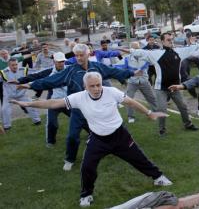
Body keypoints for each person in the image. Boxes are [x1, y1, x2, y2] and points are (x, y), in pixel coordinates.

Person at [11, 72, 172, 207]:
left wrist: (149, 113)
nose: (96, 89)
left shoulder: (112, 92)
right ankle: (86, 195)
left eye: (98, 85)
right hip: (98, 139)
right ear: (85, 87)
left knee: (138, 158)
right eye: (91, 86)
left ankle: (159, 178)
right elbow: (53, 103)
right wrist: (27, 103)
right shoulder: (79, 98)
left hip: (119, 135)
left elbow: (130, 101)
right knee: (87, 167)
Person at [18, 43, 137, 171]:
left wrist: (132, 73)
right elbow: (51, 80)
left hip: (97, 107)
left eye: (81, 55)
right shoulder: (70, 70)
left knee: (110, 130)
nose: (79, 58)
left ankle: (120, 149)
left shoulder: (97, 67)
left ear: (88, 54)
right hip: (78, 110)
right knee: (72, 136)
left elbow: (114, 71)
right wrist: (30, 85)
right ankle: (70, 159)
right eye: (76, 55)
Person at [127, 33, 199, 136]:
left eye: (171, 39)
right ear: (162, 41)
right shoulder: (156, 53)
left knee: (183, 106)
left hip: (175, 87)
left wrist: (194, 43)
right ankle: (162, 129)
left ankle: (188, 124)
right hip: (161, 88)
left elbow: (193, 48)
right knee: (162, 109)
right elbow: (141, 52)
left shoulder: (179, 52)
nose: (171, 41)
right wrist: (132, 50)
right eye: (168, 40)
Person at [17, 52, 74, 147]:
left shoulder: (70, 69)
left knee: (79, 119)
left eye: (63, 61)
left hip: (68, 100)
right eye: (59, 62)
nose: (61, 63)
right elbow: (35, 76)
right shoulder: (49, 72)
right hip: (53, 102)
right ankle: (51, 142)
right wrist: (20, 81)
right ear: (54, 61)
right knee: (52, 123)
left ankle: (92, 135)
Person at [114, 42, 157, 124]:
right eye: (134, 49)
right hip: (132, 82)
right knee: (128, 99)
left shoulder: (146, 57)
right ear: (131, 50)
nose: (136, 50)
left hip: (144, 81)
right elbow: (118, 67)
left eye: (137, 48)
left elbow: (154, 61)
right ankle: (131, 117)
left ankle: (155, 113)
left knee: (152, 98)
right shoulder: (127, 59)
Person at [1, 58, 42, 130]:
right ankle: (7, 126)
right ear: (9, 65)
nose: (15, 66)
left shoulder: (24, 69)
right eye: (12, 65)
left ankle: (37, 121)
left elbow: (37, 73)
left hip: (22, 94)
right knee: (5, 109)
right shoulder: (3, 72)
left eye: (16, 64)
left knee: (31, 105)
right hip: (9, 96)